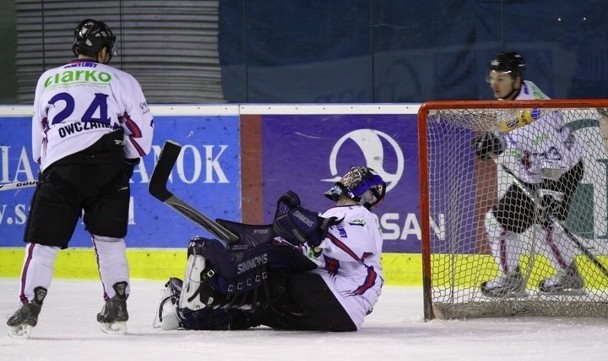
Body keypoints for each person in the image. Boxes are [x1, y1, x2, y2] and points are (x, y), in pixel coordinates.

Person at [6, 19, 154, 337]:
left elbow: (39, 136)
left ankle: (30, 306)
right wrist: (125, 164)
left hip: (61, 170)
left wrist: (47, 168)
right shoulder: (122, 80)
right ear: (102, 52)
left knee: (43, 245)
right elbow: (141, 133)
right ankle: (117, 304)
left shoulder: (48, 79)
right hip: (109, 168)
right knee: (110, 242)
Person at [154, 166, 386, 332]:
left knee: (274, 268)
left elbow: (346, 247)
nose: (349, 179)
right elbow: (316, 254)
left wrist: (310, 230)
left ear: (366, 192)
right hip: (335, 313)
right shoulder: (337, 215)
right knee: (253, 310)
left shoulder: (362, 216)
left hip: (340, 302)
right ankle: (192, 314)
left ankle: (218, 285)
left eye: (355, 178)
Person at [475, 51, 585, 297]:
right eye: (492, 77)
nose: (494, 84)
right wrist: (494, 139)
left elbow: (558, 159)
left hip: (560, 171)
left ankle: (569, 276)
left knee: (546, 226)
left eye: (501, 78)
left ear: (516, 79)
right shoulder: (522, 90)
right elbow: (511, 125)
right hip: (535, 172)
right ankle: (511, 279)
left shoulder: (536, 121)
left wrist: (548, 195)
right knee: (497, 223)